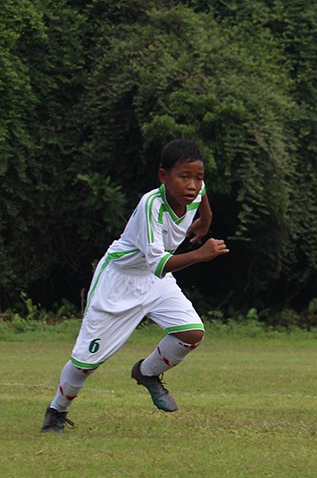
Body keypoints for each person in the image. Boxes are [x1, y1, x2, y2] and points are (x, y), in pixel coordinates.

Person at [41, 139, 228, 433]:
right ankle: (56, 411)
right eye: (184, 177)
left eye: (198, 177)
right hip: (120, 278)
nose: (192, 185)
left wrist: (206, 219)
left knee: (192, 333)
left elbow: (203, 195)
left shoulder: (195, 192)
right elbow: (159, 264)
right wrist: (200, 255)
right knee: (85, 363)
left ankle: (147, 372)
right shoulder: (151, 205)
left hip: (154, 281)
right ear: (163, 176)